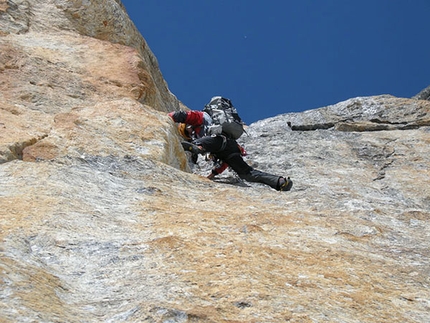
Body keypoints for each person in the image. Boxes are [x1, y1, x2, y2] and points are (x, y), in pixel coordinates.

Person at [169, 109, 293, 192]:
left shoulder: (201, 119)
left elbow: (187, 116)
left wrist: (170, 117)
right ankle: (280, 182)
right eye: (187, 135)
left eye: (187, 131)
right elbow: (224, 163)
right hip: (229, 148)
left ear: (188, 126)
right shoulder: (202, 131)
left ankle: (197, 148)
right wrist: (213, 174)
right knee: (247, 174)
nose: (189, 134)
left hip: (217, 140)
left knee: (201, 144)